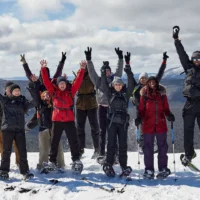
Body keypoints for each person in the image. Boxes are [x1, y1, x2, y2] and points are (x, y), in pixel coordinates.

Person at [41, 60, 86, 173]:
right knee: (54, 141)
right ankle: (52, 161)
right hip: (56, 120)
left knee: (73, 141)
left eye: (64, 83)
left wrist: (82, 69)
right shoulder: (53, 92)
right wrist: (43, 69)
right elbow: (46, 81)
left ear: (66, 84)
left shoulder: (71, 91)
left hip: (69, 120)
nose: (62, 85)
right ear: (57, 84)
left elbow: (78, 81)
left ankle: (75, 160)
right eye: (60, 83)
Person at [101, 52, 136, 177]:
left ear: (122, 85)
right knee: (111, 144)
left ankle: (123, 165)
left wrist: (128, 68)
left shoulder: (126, 95)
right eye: (116, 84)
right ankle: (108, 164)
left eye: (120, 84)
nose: (118, 86)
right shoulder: (109, 94)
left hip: (123, 123)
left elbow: (132, 84)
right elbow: (104, 83)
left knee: (123, 145)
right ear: (113, 85)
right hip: (111, 122)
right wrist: (104, 69)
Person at [85, 47, 124, 160]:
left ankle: (115, 154)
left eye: (108, 70)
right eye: (105, 71)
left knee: (113, 131)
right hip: (101, 108)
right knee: (102, 131)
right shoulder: (98, 81)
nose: (107, 72)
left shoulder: (114, 79)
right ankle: (102, 153)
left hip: (112, 109)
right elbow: (91, 72)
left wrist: (120, 58)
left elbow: (119, 70)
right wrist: (88, 60)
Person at [172, 25, 200, 166]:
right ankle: (189, 154)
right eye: (195, 59)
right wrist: (177, 40)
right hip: (189, 104)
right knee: (188, 131)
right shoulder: (188, 68)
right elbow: (182, 54)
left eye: (199, 59)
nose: (197, 61)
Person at [138, 76, 175, 179]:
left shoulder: (162, 95)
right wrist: (138, 117)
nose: (152, 84)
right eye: (150, 82)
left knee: (162, 147)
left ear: (157, 83)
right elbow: (141, 110)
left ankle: (163, 168)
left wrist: (169, 115)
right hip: (148, 125)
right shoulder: (144, 95)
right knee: (148, 148)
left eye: (154, 82)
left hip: (161, 124)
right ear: (147, 84)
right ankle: (149, 170)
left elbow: (166, 108)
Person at [20, 53, 66, 131]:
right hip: (40, 104)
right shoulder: (38, 82)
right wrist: (24, 63)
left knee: (42, 118)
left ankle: (27, 128)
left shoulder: (50, 82)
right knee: (38, 118)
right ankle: (26, 128)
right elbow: (29, 74)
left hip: (49, 103)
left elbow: (59, 72)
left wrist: (62, 61)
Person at [28, 76, 65, 172]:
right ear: (41, 97)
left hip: (55, 129)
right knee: (44, 150)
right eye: (44, 96)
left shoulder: (55, 104)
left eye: (48, 95)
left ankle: (60, 165)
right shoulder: (39, 105)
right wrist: (35, 83)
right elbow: (36, 95)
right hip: (43, 129)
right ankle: (42, 165)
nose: (46, 97)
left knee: (58, 148)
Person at [0, 83, 37, 180]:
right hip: (7, 130)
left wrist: (32, 89)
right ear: (11, 92)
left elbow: (35, 102)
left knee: (22, 151)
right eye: (15, 90)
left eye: (18, 90)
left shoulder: (23, 102)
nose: (17, 92)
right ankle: (4, 171)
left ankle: (25, 171)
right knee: (6, 151)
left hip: (19, 130)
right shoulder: (5, 101)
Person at [134, 52, 169, 153]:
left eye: (145, 78)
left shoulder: (152, 85)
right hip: (140, 110)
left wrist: (164, 62)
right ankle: (142, 146)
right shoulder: (136, 88)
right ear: (139, 79)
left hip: (151, 110)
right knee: (143, 129)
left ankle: (153, 145)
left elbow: (160, 73)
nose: (144, 80)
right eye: (142, 78)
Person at [75, 64, 100, 159]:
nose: (83, 67)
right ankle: (80, 149)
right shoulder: (78, 75)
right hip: (81, 104)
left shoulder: (91, 75)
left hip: (91, 104)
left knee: (94, 127)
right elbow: (74, 86)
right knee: (80, 128)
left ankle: (97, 149)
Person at [0, 82, 20, 166]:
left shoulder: (18, 99)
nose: (9, 89)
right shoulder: (2, 99)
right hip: (2, 126)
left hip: (16, 126)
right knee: (3, 146)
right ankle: (4, 164)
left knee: (17, 145)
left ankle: (18, 162)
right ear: (6, 89)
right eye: (8, 88)